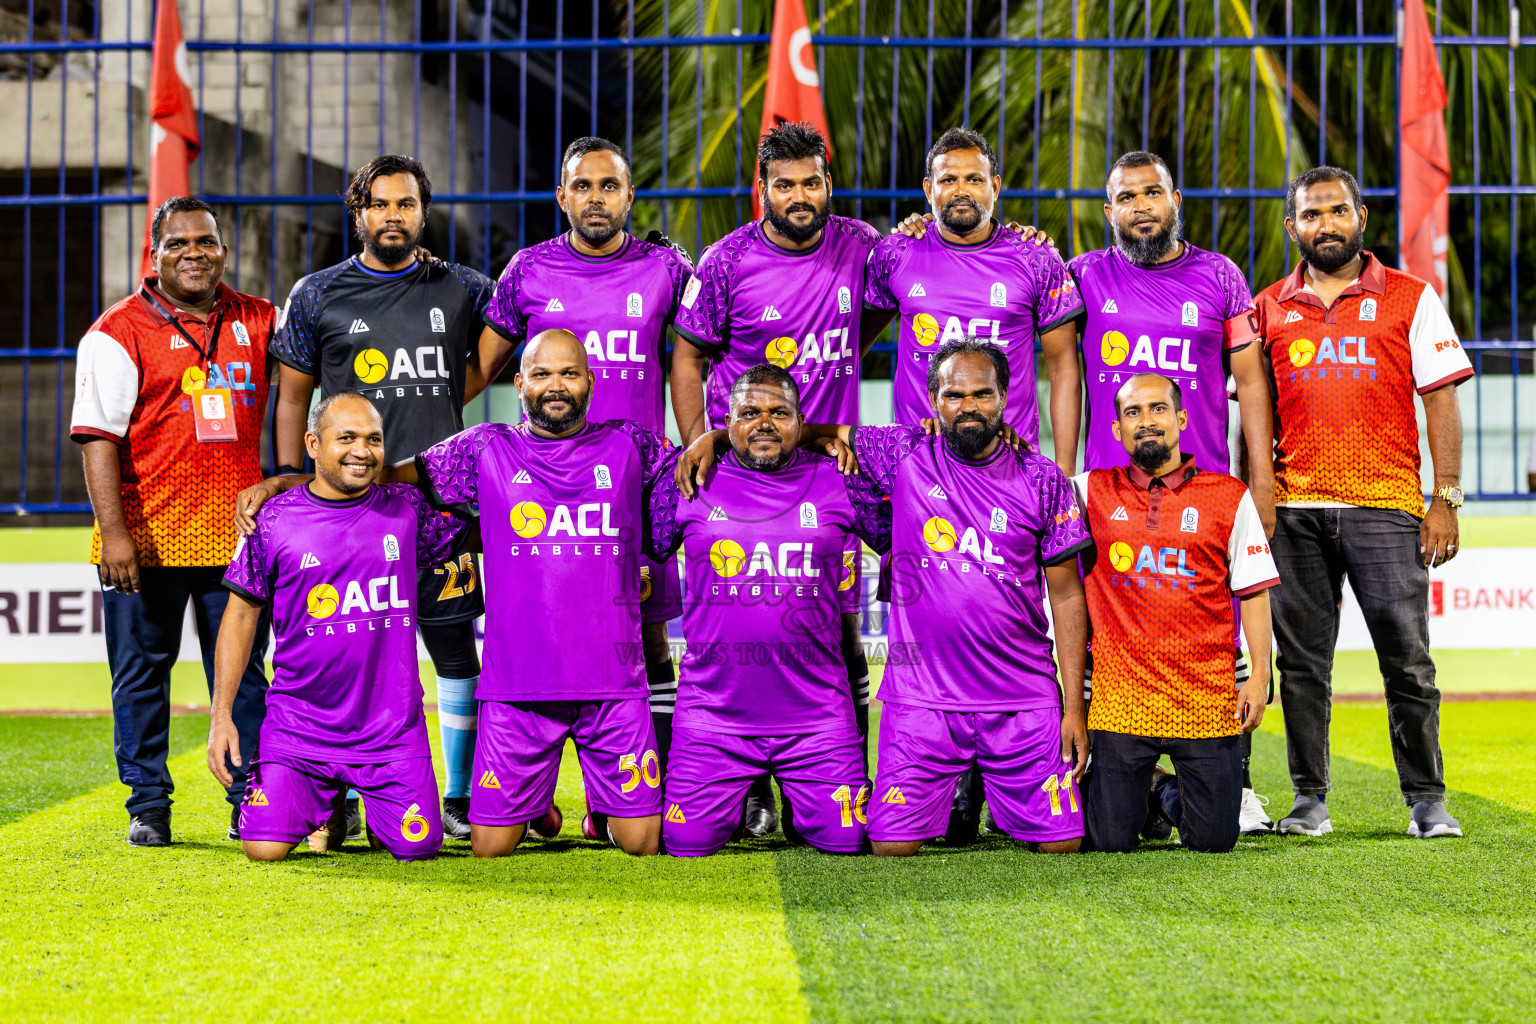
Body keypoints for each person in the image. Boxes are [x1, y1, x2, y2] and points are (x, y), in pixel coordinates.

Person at [730, 339, 1092, 855]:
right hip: (921, 701)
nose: (968, 406)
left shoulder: (1042, 479)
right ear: (932, 399)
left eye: (982, 394)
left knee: (1062, 848)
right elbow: (800, 431)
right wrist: (717, 442)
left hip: (1021, 698)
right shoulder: (901, 451)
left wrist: (1071, 704)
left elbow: (1068, 596)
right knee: (890, 847)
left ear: (1006, 396)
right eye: (953, 395)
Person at [250, 155, 494, 842]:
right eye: (380, 204)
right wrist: (293, 475)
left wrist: (446, 413)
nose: (394, 216)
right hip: (344, 509)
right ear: (358, 212)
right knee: (341, 650)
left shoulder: (464, 287)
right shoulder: (316, 294)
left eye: (407, 204)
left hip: (440, 510)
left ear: (424, 211)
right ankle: (332, 792)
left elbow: (497, 352)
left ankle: (455, 796)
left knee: (453, 650)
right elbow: (293, 394)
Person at [669, 121, 885, 836]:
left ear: (829, 183)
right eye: (784, 184)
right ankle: (748, 784)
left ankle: (834, 780)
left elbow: (888, 307)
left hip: (826, 476)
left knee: (840, 634)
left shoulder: (862, 247)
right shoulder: (726, 260)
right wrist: (703, 434)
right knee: (740, 625)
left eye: (811, 182)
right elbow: (688, 357)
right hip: (743, 472)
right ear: (762, 187)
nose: (799, 195)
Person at [471, 137, 690, 837]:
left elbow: (698, 351)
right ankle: (526, 796)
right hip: (540, 488)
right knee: (538, 638)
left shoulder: (666, 268)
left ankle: (623, 793)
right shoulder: (528, 271)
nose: (596, 198)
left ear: (630, 197)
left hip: (631, 488)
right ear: (562, 197)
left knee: (648, 645)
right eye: (582, 186)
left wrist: (701, 439)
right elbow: (477, 371)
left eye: (609, 186)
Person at [1255, 167, 1473, 839]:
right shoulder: (1267, 307)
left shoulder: (1411, 297)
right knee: (1302, 667)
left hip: (1386, 507)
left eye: (1336, 211)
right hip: (1292, 512)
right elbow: (1254, 416)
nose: (1326, 224)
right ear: (1293, 228)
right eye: (1312, 215)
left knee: (1406, 659)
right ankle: (1309, 801)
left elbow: (1440, 397)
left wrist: (1446, 499)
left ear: (1361, 218)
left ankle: (1427, 800)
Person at [1066, 150, 1278, 836]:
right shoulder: (1083, 275)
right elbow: (1040, 343)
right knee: (1109, 648)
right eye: (1126, 197)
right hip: (1112, 499)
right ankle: (1112, 779)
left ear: (1175, 197)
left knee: (1221, 647)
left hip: (1206, 495)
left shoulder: (1220, 275)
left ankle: (1235, 784)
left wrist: (1262, 482)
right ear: (1109, 212)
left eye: (1151, 193)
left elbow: (1252, 384)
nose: (1140, 206)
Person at [408, 329, 670, 857]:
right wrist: (287, 485)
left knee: (641, 844)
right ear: (519, 381)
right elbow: (396, 479)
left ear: (591, 382)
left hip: (612, 686)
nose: (557, 385)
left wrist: (709, 439)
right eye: (543, 374)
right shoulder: (483, 447)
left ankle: (594, 807)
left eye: (569, 374)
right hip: (518, 688)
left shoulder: (632, 445)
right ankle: (537, 803)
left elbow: (692, 477)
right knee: (490, 849)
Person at [70, 196, 275, 847]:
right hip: (145, 540)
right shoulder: (117, 331)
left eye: (206, 241)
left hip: (236, 541)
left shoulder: (259, 319)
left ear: (223, 248)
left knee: (243, 679)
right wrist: (117, 535)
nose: (194, 252)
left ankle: (251, 797)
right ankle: (149, 806)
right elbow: (97, 438)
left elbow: (310, 370)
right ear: (153, 254)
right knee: (139, 677)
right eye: (179, 243)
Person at [648, 364, 891, 856]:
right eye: (749, 413)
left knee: (851, 839)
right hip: (713, 719)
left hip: (818, 719)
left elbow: (894, 532)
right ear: (726, 422)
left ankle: (804, 806)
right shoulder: (690, 478)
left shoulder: (839, 479)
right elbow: (648, 542)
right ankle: (736, 797)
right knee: (684, 841)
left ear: (801, 422)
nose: (764, 423)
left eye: (779, 412)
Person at [209, 392, 463, 862]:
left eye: (373, 439)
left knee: (418, 846)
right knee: (264, 849)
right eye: (346, 438)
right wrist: (220, 715)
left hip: (390, 733)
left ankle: (355, 804)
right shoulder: (272, 521)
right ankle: (323, 802)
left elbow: (493, 522)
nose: (361, 452)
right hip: (300, 730)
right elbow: (240, 614)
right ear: (312, 442)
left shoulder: (406, 511)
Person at [1070, 373, 1279, 853]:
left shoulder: (1229, 495)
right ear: (1118, 430)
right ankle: (1146, 789)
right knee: (1107, 842)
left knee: (1214, 841)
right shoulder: (1087, 492)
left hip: (1205, 698)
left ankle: (1161, 790)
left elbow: (1253, 591)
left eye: (1158, 409)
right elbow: (1017, 489)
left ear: (1181, 419)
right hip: (1121, 700)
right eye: (1133, 413)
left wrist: (1259, 677)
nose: (1146, 422)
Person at [863, 127, 1083, 472]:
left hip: (1012, 462)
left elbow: (1063, 368)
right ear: (928, 188)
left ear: (994, 186)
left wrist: (1066, 475)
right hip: (919, 466)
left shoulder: (1037, 259)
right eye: (948, 180)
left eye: (974, 180)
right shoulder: (895, 253)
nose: (961, 191)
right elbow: (852, 348)